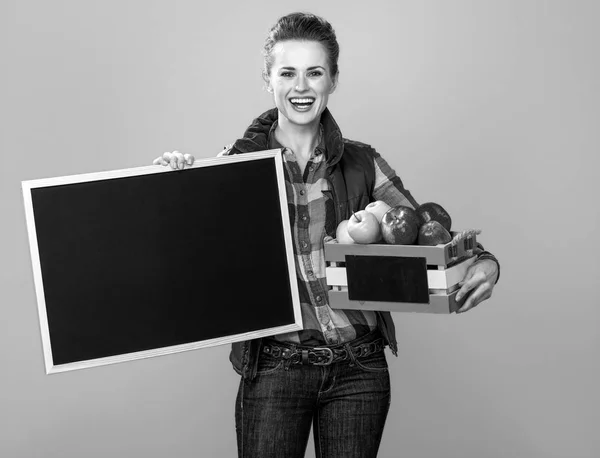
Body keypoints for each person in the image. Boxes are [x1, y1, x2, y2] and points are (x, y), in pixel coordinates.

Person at [154, 12, 500, 458]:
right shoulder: (233, 169)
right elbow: (188, 251)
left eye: (314, 72)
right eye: (287, 73)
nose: (301, 86)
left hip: (359, 369)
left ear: (332, 80)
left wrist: (487, 261)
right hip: (273, 370)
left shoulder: (363, 164)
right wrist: (169, 186)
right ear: (268, 79)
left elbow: (428, 232)